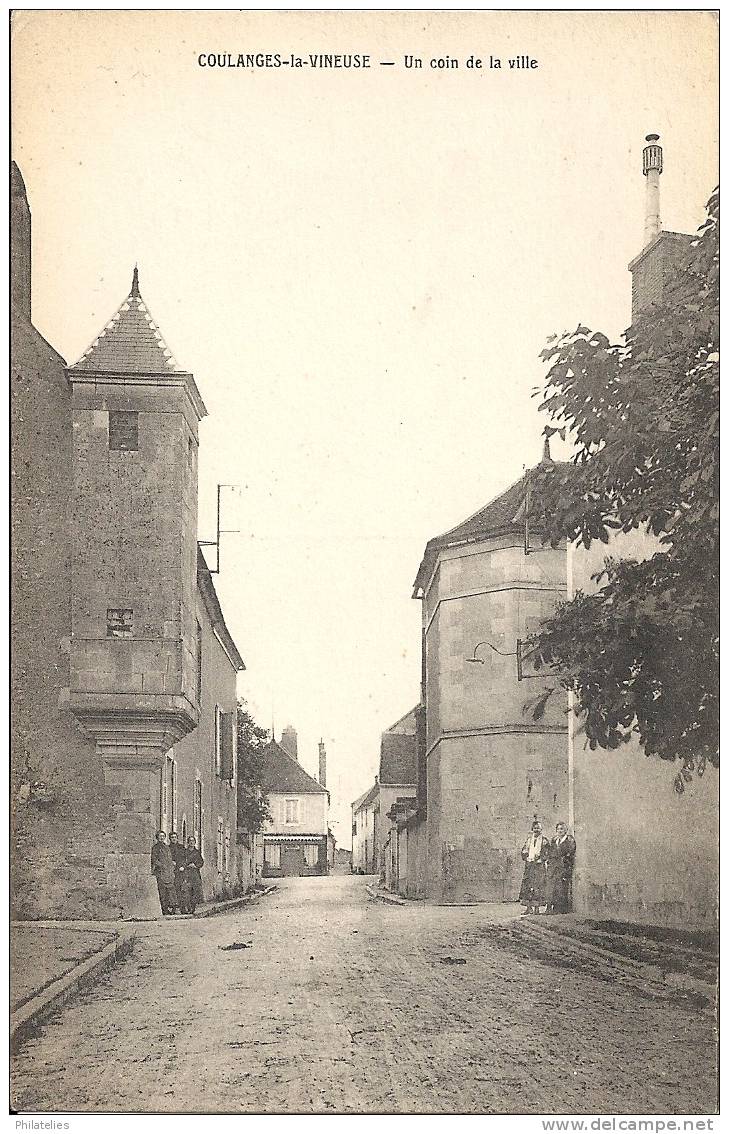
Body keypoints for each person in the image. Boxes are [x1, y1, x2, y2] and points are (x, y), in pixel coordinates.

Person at [518, 819, 549, 914]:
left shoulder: (544, 841)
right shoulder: (529, 840)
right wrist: (525, 855)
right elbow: (523, 850)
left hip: (539, 866)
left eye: (538, 828)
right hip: (530, 865)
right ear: (532, 829)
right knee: (528, 886)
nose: (536, 830)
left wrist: (541, 858)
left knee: (538, 886)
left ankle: (537, 909)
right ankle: (528, 908)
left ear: (541, 829)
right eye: (535, 828)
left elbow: (547, 853)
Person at [545, 821, 577, 913]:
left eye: (562, 829)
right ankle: (553, 907)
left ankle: (562, 908)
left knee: (562, 886)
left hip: (564, 866)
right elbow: (551, 852)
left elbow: (570, 853)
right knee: (553, 886)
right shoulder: (554, 840)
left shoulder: (569, 840)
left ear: (566, 830)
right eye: (558, 829)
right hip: (554, 866)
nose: (560, 831)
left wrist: (563, 861)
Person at [151, 831, 177, 915]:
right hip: (160, 872)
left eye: (163, 836)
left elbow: (169, 858)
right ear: (157, 837)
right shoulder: (155, 847)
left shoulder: (166, 847)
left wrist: (171, 865)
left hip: (168, 872)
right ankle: (164, 909)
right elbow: (154, 859)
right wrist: (161, 865)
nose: (162, 838)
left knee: (169, 891)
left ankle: (171, 908)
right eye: (160, 836)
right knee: (162, 892)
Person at [180, 836, 204, 914]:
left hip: (195, 873)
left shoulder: (197, 852)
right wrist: (184, 867)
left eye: (193, 841)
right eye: (190, 841)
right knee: (186, 890)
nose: (191, 842)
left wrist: (196, 866)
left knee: (195, 891)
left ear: (195, 842)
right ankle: (187, 907)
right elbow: (182, 861)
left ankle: (193, 907)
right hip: (186, 873)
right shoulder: (184, 852)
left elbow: (201, 862)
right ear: (188, 842)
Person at [168, 831, 186, 911]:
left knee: (180, 889)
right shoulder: (167, 848)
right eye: (172, 837)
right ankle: (173, 908)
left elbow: (185, 858)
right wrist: (170, 862)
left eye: (175, 837)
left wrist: (182, 866)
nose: (173, 839)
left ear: (177, 838)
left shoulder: (181, 847)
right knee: (172, 889)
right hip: (171, 871)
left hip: (180, 871)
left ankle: (182, 908)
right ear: (170, 839)